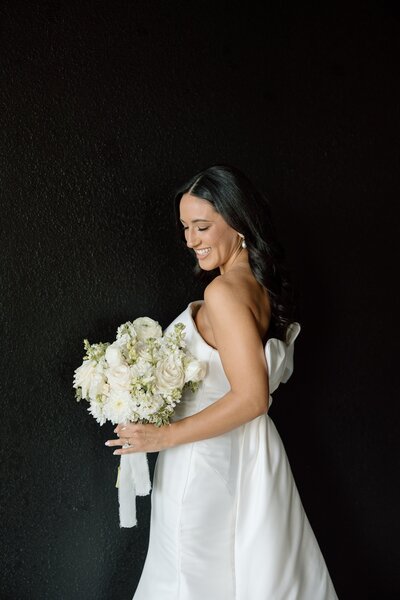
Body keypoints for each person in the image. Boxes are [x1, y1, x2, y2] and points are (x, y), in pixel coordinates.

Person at [106, 164, 338, 599]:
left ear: (239, 223)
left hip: (200, 461)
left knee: (185, 581)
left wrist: (163, 435)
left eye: (202, 226)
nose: (191, 240)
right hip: (234, 456)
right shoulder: (258, 288)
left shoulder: (224, 292)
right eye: (185, 228)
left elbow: (252, 397)